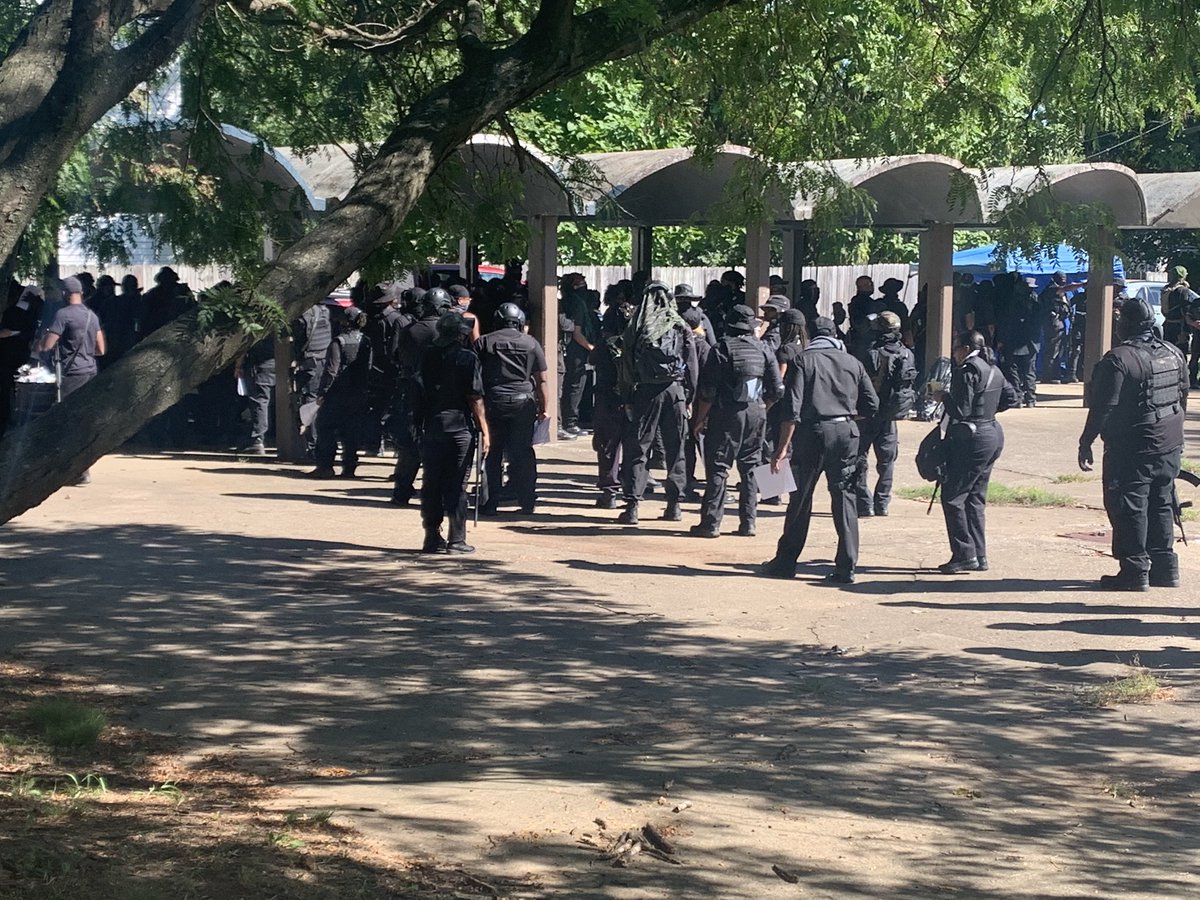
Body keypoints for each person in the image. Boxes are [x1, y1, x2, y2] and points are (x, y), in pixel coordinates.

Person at [1078, 298, 1188, 590]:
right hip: (1169, 443)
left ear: (1124, 324)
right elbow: (1182, 398)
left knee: (1130, 507)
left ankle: (1135, 569)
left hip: (1134, 447)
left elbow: (1103, 407)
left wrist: (1086, 441)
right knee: (1162, 503)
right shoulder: (1174, 353)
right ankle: (1165, 567)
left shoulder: (1119, 359)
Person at [760, 316, 878, 584]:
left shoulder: (803, 360)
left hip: (812, 434)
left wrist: (781, 448)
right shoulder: (852, 362)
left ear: (811, 334)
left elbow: (792, 408)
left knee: (801, 500)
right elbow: (872, 405)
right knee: (845, 497)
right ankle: (847, 566)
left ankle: (786, 562)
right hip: (847, 432)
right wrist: (846, 417)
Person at [689, 304, 781, 538]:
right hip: (756, 412)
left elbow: (708, 391)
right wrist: (762, 408)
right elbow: (777, 389)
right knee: (750, 468)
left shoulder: (721, 348)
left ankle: (711, 523)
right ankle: (748, 523)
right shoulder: (764, 349)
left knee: (719, 468)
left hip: (726, 414)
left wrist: (700, 420)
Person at [937, 330, 1020, 574]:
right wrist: (988, 411)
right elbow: (1012, 397)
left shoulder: (967, 371)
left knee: (953, 497)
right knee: (974, 498)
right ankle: (979, 554)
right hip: (992, 433)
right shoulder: (993, 368)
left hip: (971, 438)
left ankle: (964, 554)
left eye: (954, 348)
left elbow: (961, 410)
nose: (953, 354)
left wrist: (942, 396)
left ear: (964, 348)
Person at [616, 280, 698, 525]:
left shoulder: (637, 325)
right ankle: (674, 505)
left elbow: (626, 366)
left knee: (638, 449)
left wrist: (627, 397)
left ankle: (632, 506)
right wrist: (689, 398)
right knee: (676, 449)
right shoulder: (679, 325)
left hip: (645, 392)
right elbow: (692, 366)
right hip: (674, 391)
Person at [419, 311, 490, 554]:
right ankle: (456, 539)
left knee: (432, 481)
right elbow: (475, 397)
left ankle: (431, 535)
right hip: (459, 427)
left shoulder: (428, 354)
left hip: (432, 424)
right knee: (457, 483)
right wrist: (485, 429)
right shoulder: (467, 358)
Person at [474, 301, 548, 515]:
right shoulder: (531, 343)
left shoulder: (484, 342)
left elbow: (474, 375)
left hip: (492, 402)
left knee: (491, 452)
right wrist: (545, 408)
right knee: (523, 452)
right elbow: (542, 379)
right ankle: (527, 501)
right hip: (523, 403)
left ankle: (490, 503)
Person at [36, 276, 105, 484]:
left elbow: (48, 345)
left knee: (67, 421)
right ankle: (84, 468)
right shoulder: (91, 316)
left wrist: (38, 345)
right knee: (84, 421)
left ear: (65, 294)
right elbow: (101, 349)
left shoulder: (63, 314)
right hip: (90, 372)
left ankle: (73, 470)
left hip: (71, 375)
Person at [855, 311, 917, 517]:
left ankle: (864, 504)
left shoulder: (870, 352)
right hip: (890, 415)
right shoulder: (907, 354)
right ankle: (882, 503)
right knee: (887, 461)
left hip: (867, 415)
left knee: (859, 458)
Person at [390, 287, 448, 503]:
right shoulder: (446, 332)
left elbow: (397, 356)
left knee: (410, 445)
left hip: (410, 390)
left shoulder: (409, 330)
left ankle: (401, 491)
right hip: (439, 393)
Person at [308, 306, 371, 479]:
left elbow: (331, 370)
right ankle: (349, 466)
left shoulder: (339, 341)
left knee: (325, 428)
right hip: (358, 392)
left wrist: (323, 393)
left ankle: (325, 466)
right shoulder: (365, 340)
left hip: (338, 393)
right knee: (351, 430)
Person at [591, 293, 632, 508]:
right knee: (633, 447)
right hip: (633, 400)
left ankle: (609, 493)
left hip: (607, 398)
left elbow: (592, 360)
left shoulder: (605, 344)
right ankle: (632, 492)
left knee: (608, 447)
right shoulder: (637, 344)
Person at [0, 284, 43, 438]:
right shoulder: (26, 309)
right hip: (16, 354)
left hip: (13, 354)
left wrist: (11, 333)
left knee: (9, 389)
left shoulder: (19, 311)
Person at [998, 277, 1041, 407]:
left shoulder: (1011, 302)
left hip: (1014, 340)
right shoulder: (1036, 302)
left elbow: (1005, 322)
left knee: (1014, 370)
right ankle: (1030, 398)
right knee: (1028, 371)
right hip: (1029, 342)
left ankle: (1019, 397)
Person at [237, 331, 275, 455]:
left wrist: (238, 365)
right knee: (268, 402)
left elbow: (245, 343)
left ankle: (257, 440)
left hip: (259, 367)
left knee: (259, 402)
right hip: (276, 366)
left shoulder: (255, 323)